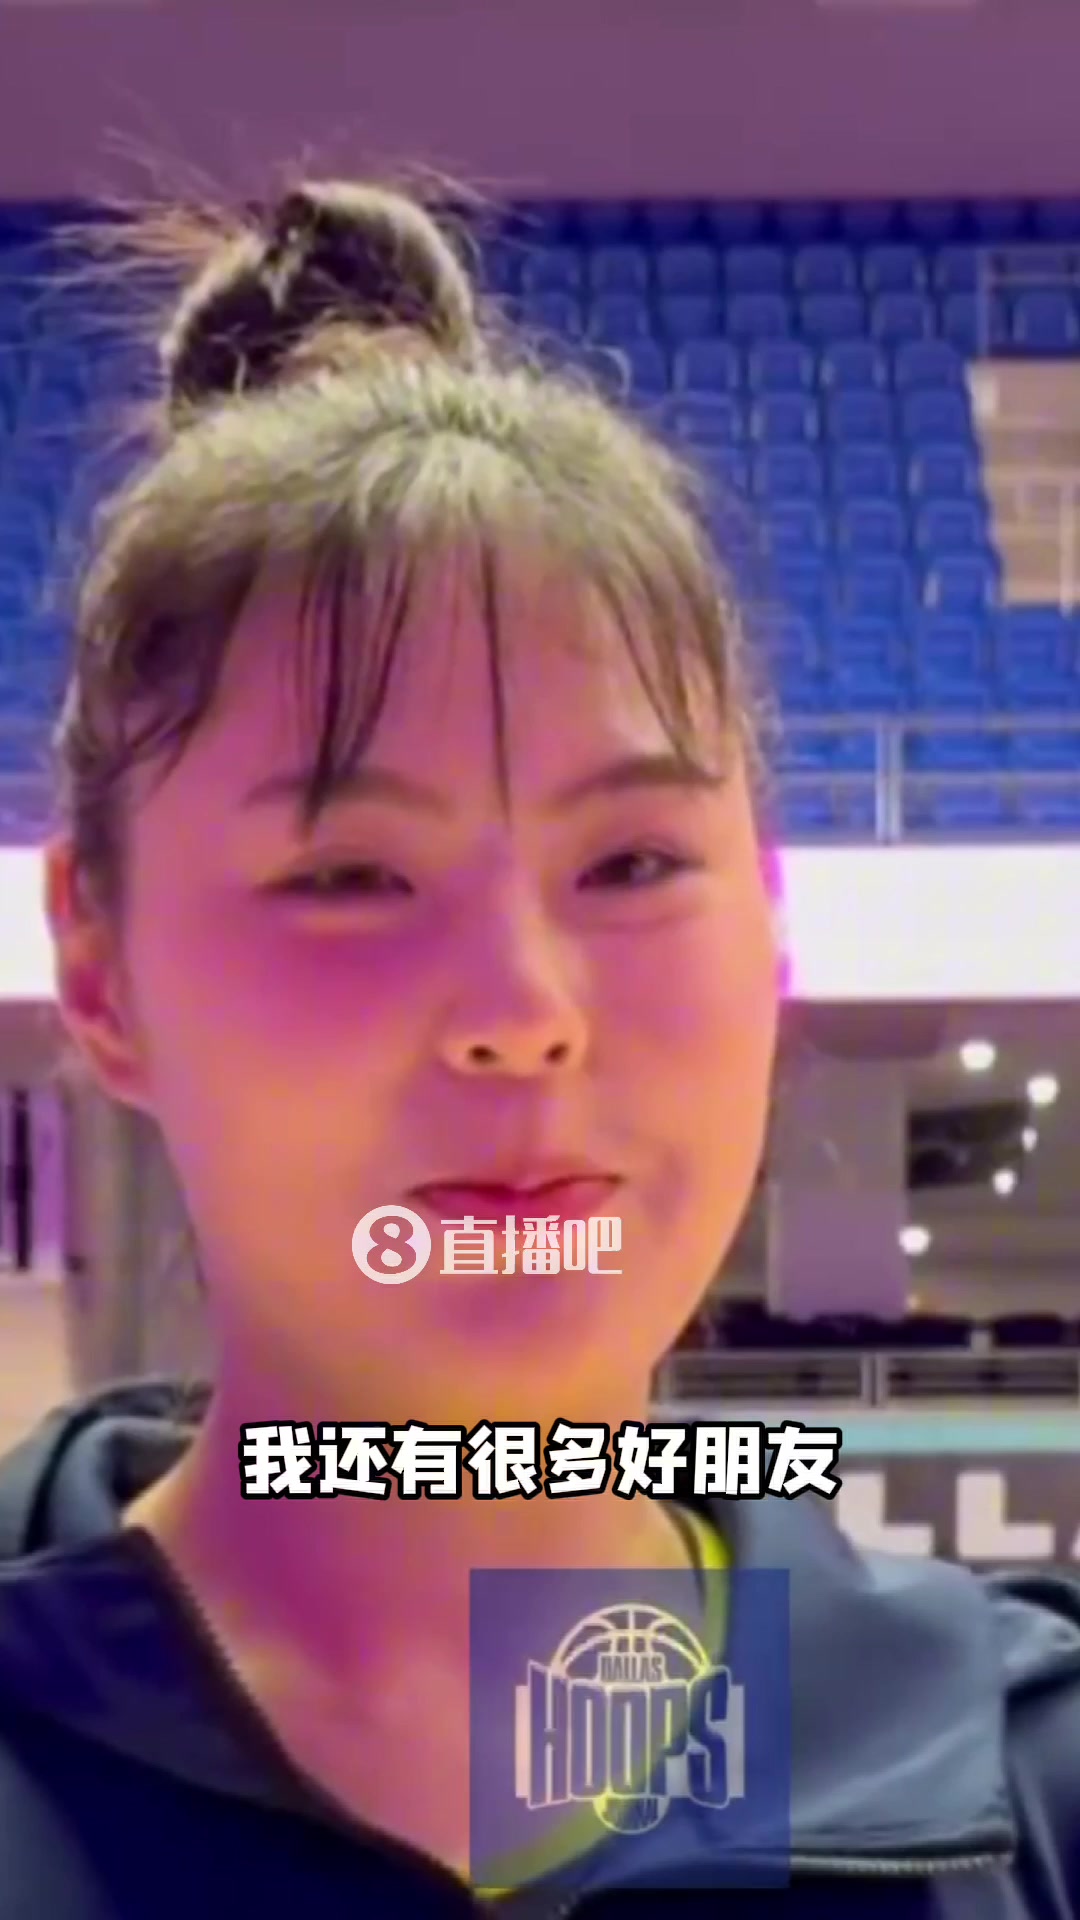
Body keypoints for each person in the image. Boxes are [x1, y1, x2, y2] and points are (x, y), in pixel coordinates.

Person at [0, 179, 1077, 1920]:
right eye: (350, 876)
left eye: (632, 864)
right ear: (100, 965)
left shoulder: (1028, 1792)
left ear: (771, 920)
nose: (523, 1009)